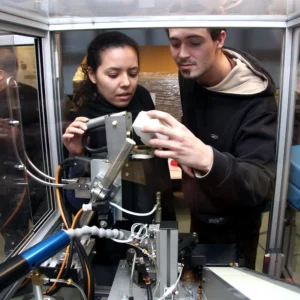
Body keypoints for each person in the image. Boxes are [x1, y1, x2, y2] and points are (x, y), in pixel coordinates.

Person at [141, 28, 277, 270]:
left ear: (220, 39)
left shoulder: (258, 103)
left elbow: (259, 184)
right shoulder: (190, 75)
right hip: (200, 208)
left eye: (194, 42)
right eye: (174, 43)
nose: (182, 54)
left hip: (236, 226)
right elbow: (194, 122)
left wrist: (206, 157)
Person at [62, 31, 175, 229]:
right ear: (92, 74)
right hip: (109, 224)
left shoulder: (141, 97)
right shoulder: (84, 120)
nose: (126, 83)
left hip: (153, 207)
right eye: (113, 75)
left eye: (133, 73)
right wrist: (77, 156)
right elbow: (76, 202)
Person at [0, 47, 45, 256]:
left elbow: (48, 135)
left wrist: (19, 137)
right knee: (11, 234)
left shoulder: (30, 96)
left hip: (30, 174)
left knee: (39, 227)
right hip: (4, 178)